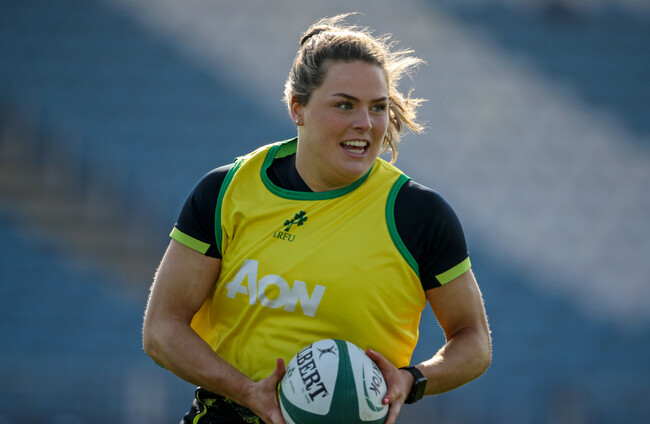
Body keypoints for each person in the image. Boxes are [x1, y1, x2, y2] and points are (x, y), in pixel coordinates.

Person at [142, 14, 491, 424]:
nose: (365, 123)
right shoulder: (225, 191)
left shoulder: (417, 214)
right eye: (345, 105)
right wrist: (248, 392)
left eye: (378, 107)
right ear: (298, 109)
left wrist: (411, 379)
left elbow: (474, 340)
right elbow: (162, 330)